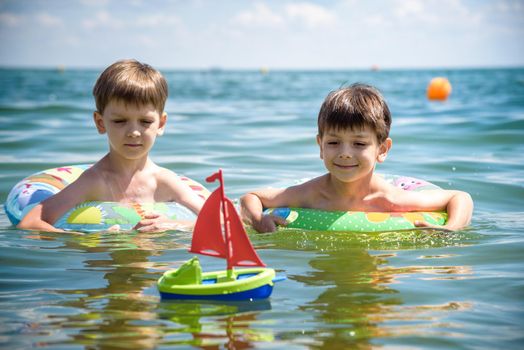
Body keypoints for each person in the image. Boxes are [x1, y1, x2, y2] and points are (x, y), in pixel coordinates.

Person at [240, 83, 473, 233]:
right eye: (333, 142)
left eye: (359, 144)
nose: (344, 152)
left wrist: (450, 229)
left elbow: (460, 197)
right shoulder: (310, 194)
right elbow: (251, 197)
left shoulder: (392, 199)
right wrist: (258, 220)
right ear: (320, 146)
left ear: (382, 149)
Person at [18, 59, 205, 233]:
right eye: (120, 121)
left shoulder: (165, 181)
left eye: (145, 121)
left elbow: (219, 221)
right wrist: (92, 239)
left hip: (156, 267)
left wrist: (175, 225)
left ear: (161, 124)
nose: (134, 132)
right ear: (100, 123)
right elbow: (30, 223)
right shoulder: (94, 181)